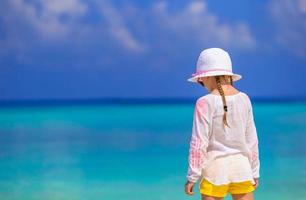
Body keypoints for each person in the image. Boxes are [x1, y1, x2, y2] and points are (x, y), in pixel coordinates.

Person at [184, 48, 260, 200]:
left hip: (214, 172)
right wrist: (255, 171)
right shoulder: (244, 99)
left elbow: (198, 144)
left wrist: (193, 176)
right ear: (228, 75)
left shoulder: (204, 103)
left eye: (201, 79)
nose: (201, 82)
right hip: (242, 170)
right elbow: (252, 140)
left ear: (207, 77)